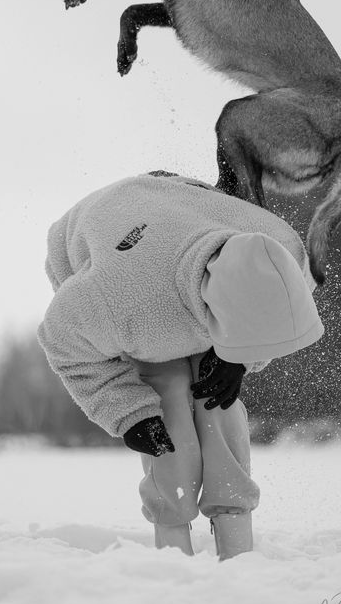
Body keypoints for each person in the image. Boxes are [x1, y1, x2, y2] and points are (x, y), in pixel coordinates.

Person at [37, 171, 323, 560]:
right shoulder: (113, 300)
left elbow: (274, 315)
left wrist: (239, 360)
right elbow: (64, 346)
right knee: (167, 400)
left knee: (218, 404)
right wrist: (129, 413)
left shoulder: (283, 251)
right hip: (123, 261)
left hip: (177, 218)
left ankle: (235, 532)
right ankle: (172, 541)